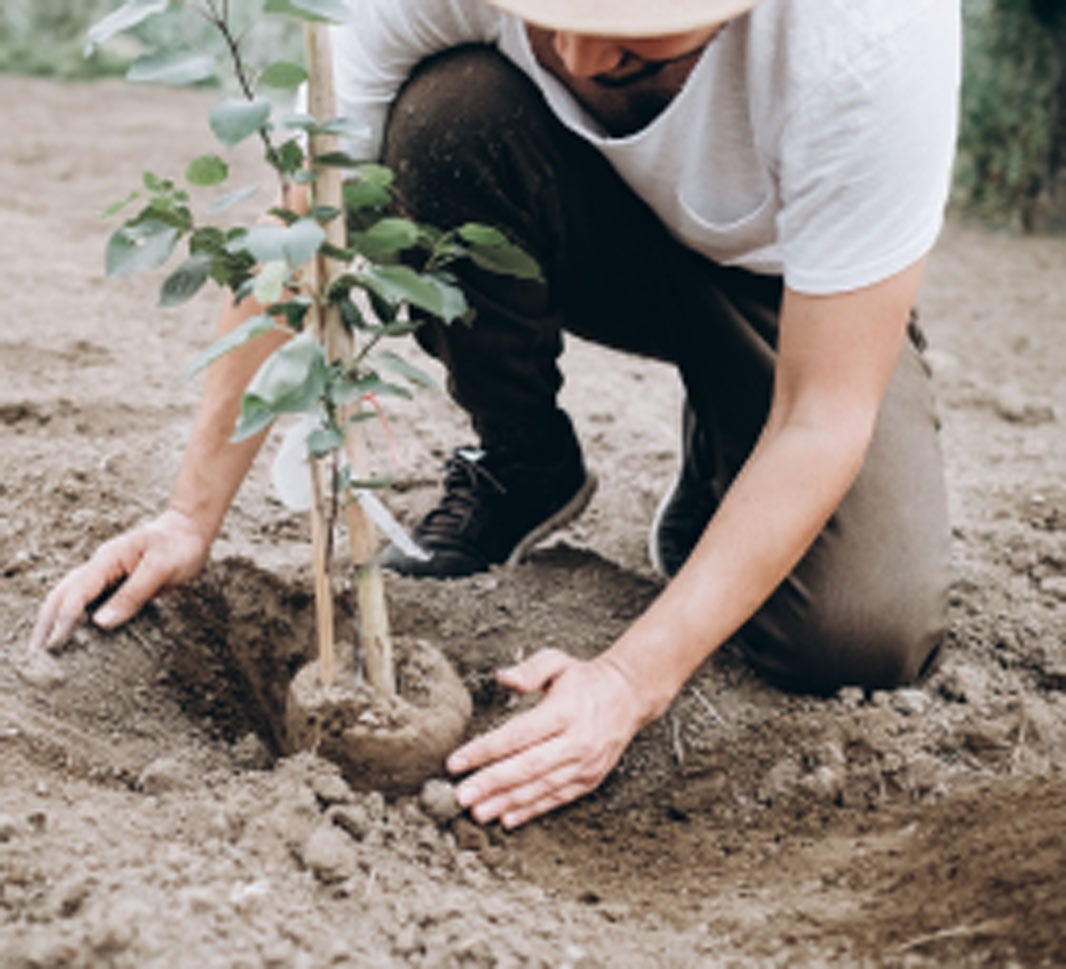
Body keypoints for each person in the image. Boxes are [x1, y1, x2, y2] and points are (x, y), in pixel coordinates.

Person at [32, 0, 961, 828]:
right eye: (552, 12)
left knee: (856, 635)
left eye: (639, 40)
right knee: (447, 118)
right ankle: (524, 462)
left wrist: (630, 680)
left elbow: (822, 412)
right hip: (584, 219)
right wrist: (190, 515)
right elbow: (296, 231)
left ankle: (726, 435)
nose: (579, 53)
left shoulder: (872, 36)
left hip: (784, 289)